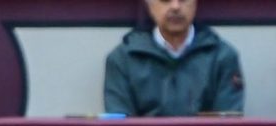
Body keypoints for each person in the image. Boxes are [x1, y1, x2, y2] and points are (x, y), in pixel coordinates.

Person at [104, 0, 244, 117]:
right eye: (165, 0)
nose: (175, 6)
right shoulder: (122, 60)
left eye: (183, 0)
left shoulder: (222, 57)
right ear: (149, 4)